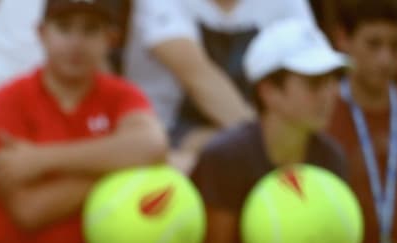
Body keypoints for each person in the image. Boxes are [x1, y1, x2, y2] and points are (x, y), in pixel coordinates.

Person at [0, 0, 167, 243]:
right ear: (42, 34)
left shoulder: (122, 95)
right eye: (64, 28)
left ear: (110, 38)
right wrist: (122, 165)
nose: (76, 43)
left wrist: (42, 159)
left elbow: (152, 145)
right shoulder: (6, 101)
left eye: (90, 30)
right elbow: (29, 210)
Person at [191, 18, 350, 243]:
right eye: (315, 82)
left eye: (333, 80)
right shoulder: (225, 158)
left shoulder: (332, 157)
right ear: (269, 92)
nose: (331, 94)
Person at [123, 0, 316, 169]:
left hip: (252, 139)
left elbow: (311, 68)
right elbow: (197, 76)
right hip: (168, 142)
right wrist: (263, 147)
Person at [327, 0, 397, 243]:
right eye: (373, 44)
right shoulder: (320, 113)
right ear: (343, 38)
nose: (386, 59)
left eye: (396, 45)